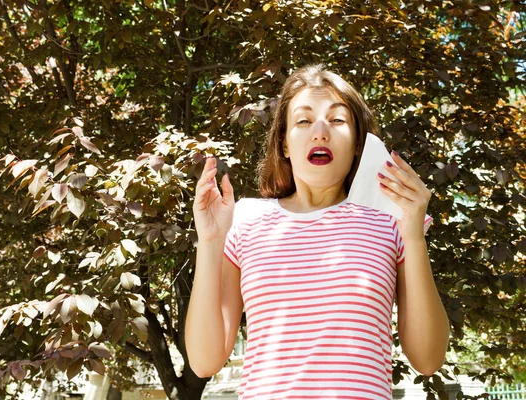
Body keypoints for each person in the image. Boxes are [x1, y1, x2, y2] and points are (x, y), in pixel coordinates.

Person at [185, 63, 450, 399]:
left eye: (337, 120)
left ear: (358, 144)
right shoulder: (244, 219)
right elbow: (204, 361)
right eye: (304, 120)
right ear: (283, 143)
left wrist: (413, 234)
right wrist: (210, 241)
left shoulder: (393, 221)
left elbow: (428, 359)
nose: (320, 131)